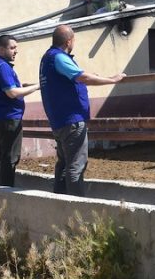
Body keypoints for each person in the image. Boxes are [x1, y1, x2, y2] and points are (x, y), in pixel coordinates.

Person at [39, 24, 126, 196]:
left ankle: (60, 202)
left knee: (64, 164)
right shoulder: (58, 57)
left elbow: (76, 75)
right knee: (76, 165)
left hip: (59, 120)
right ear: (69, 41)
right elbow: (82, 77)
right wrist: (111, 80)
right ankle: (76, 207)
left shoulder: (47, 58)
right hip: (71, 120)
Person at [0, 34, 41, 186]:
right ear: (1, 49)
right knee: (9, 157)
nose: (16, 51)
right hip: (8, 118)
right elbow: (12, 93)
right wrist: (36, 86)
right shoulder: (3, 67)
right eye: (12, 48)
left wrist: (23, 87)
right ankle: (6, 193)